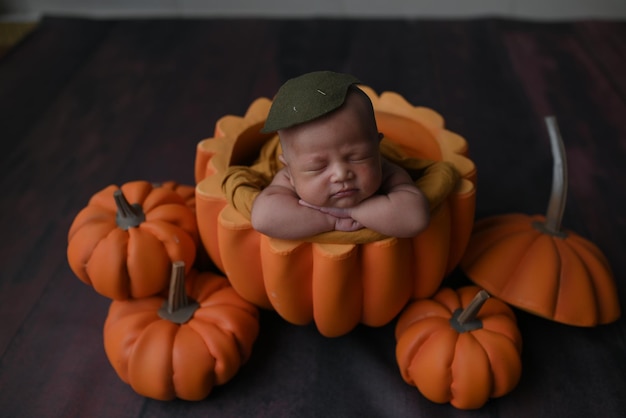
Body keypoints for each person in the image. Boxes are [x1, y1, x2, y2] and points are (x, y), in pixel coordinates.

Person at [250, 71, 429, 240]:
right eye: (317, 167)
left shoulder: (385, 169)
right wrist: (332, 220)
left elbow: (415, 218)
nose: (341, 174)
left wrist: (351, 212)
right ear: (289, 169)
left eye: (357, 157)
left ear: (376, 148)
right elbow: (263, 218)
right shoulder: (289, 178)